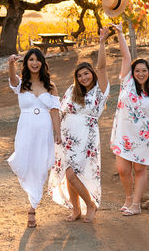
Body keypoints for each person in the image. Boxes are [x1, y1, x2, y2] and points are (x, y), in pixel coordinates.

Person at [48, 28, 110, 223]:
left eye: (86, 74)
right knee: (68, 174)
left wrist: (101, 42)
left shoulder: (100, 91)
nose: (84, 78)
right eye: (80, 75)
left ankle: (90, 205)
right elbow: (59, 109)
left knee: (74, 174)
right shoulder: (72, 90)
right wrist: (56, 133)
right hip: (66, 136)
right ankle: (76, 210)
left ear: (91, 73)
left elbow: (102, 67)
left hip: (86, 137)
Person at [110, 22, 149, 216]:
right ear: (133, 73)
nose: (141, 73)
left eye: (144, 71)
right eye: (138, 70)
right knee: (123, 170)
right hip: (123, 134)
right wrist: (121, 33)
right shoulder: (127, 84)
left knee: (139, 170)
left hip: (142, 137)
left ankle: (137, 204)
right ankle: (128, 198)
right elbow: (127, 56)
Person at [8, 48, 61, 228]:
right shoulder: (22, 84)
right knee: (25, 163)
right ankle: (31, 197)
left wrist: (58, 133)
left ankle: (32, 208)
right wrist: (10, 64)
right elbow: (13, 79)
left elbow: (54, 111)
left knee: (40, 167)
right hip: (25, 129)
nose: (34, 62)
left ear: (42, 63)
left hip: (44, 130)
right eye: (31, 59)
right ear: (27, 63)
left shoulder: (51, 86)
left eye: (37, 60)